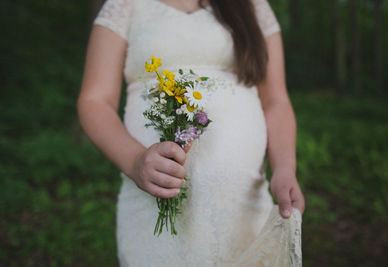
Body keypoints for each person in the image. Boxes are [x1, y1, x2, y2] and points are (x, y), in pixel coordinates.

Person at [77, 0, 305, 266]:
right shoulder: (125, 4)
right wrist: (134, 161)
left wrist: (285, 169)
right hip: (154, 209)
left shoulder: (252, 5)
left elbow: (276, 100)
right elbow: (94, 100)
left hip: (246, 206)